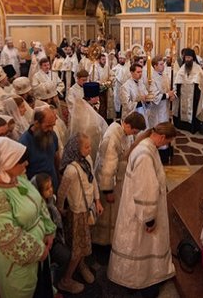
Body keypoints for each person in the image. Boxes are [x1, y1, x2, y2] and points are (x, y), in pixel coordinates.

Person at [108, 122, 177, 297]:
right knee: (139, 246)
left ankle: (138, 279)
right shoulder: (145, 155)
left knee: (137, 245)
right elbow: (146, 190)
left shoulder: (146, 146)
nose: (166, 146)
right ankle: (141, 282)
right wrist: (149, 218)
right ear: (161, 137)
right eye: (167, 142)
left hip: (134, 208)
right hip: (140, 213)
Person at [0, 137, 56, 298]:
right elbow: (10, 239)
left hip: (40, 251)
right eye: (21, 161)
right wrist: (39, 251)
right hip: (18, 264)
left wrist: (49, 230)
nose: (26, 164)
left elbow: (39, 204)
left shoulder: (19, 180)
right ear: (7, 164)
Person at [56, 134, 103, 294]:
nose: (90, 150)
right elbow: (62, 192)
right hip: (77, 212)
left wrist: (97, 200)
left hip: (87, 208)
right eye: (87, 147)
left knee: (84, 243)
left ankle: (81, 265)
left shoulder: (87, 160)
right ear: (76, 149)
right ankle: (66, 279)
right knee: (77, 248)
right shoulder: (71, 170)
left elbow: (93, 180)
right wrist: (60, 209)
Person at [92, 112, 145, 246]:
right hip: (109, 184)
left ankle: (112, 239)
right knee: (107, 212)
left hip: (118, 179)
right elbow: (107, 167)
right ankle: (102, 241)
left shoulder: (123, 132)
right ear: (127, 124)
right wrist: (108, 191)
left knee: (115, 212)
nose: (133, 134)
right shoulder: (112, 137)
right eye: (133, 130)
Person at [20, 106, 60, 190]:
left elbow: (56, 157)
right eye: (48, 126)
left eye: (52, 126)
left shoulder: (52, 135)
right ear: (37, 123)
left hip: (53, 185)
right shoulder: (24, 143)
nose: (51, 129)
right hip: (37, 190)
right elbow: (21, 174)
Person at [68, 82, 107, 163]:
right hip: (87, 139)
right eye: (97, 96)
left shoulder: (86, 104)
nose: (98, 99)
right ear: (92, 98)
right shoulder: (82, 108)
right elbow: (91, 125)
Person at [174, 49, 203, 133]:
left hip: (194, 95)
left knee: (193, 110)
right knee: (181, 109)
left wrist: (197, 93)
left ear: (193, 58)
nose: (187, 59)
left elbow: (202, 81)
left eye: (189, 57)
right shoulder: (182, 68)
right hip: (183, 94)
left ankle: (192, 127)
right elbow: (178, 80)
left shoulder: (198, 68)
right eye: (186, 58)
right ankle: (183, 126)